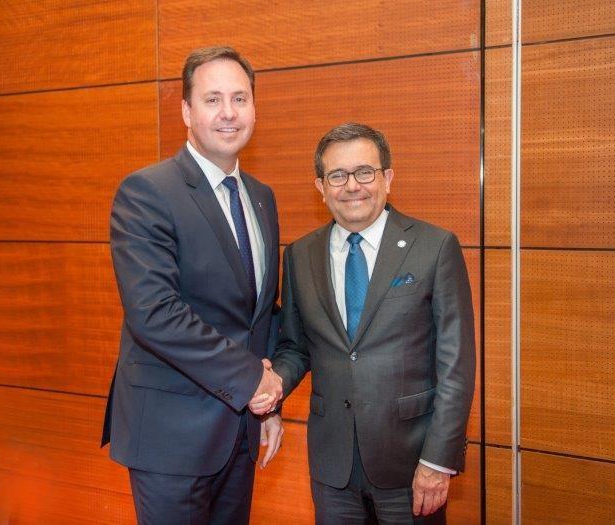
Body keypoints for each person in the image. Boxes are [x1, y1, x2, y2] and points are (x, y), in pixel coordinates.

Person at [101, 46, 284, 524]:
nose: (228, 113)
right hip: (170, 438)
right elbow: (154, 313)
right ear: (186, 111)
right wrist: (251, 381)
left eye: (240, 99)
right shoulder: (147, 191)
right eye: (212, 99)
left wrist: (268, 401)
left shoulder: (262, 198)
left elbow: (259, 315)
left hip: (238, 434)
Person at [260, 123, 475, 524]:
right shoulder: (300, 255)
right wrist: (272, 388)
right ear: (321, 187)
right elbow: (295, 346)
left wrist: (439, 460)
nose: (352, 186)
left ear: (388, 178)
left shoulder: (434, 247)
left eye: (365, 172)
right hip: (332, 465)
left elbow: (457, 367)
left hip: (411, 462)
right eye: (337, 175)